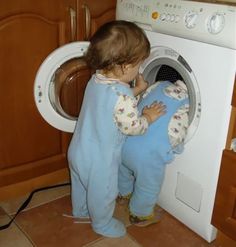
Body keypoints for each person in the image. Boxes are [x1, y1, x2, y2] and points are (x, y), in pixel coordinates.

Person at [67, 20, 166, 238]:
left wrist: (136, 90)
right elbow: (133, 127)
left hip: (78, 151)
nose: (139, 69)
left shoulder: (96, 79)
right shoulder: (122, 97)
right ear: (125, 67)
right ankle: (101, 223)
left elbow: (110, 104)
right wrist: (148, 117)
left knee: (82, 185)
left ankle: (81, 210)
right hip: (100, 160)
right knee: (103, 193)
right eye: (139, 64)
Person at [118, 79, 189, 227]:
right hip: (147, 157)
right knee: (148, 185)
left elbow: (140, 98)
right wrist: (176, 148)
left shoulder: (160, 84)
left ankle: (123, 194)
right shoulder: (186, 103)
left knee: (123, 170)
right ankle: (140, 215)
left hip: (125, 141)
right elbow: (176, 135)